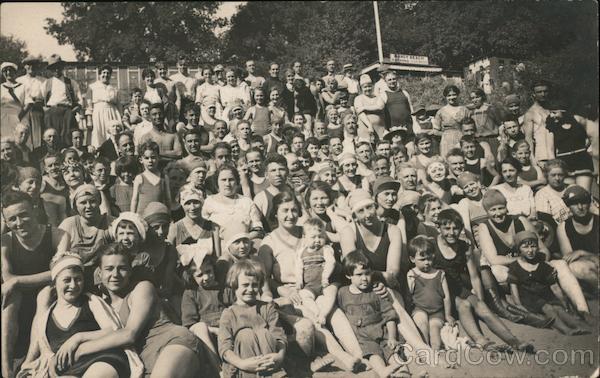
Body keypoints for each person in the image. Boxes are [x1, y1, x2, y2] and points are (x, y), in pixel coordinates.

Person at [257, 191, 364, 373]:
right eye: (284, 210)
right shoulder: (269, 242)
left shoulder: (310, 231)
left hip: (320, 286)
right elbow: (265, 279)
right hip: (293, 291)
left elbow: (344, 234)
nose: (290, 215)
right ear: (275, 213)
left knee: (334, 313)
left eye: (293, 210)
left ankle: (360, 356)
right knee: (312, 318)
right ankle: (344, 357)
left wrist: (333, 214)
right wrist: (286, 292)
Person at [72, 242, 207, 377]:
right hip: (143, 360)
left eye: (122, 268)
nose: (115, 274)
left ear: (130, 271)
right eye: (109, 268)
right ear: (100, 273)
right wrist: (78, 338)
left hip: (171, 342)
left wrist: (83, 349)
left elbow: (129, 334)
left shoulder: (142, 288)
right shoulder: (100, 306)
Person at [20, 252, 142, 378]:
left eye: (78, 279)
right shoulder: (46, 318)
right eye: (67, 280)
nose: (73, 285)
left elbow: (113, 330)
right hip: (70, 370)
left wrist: (79, 337)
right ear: (55, 282)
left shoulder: (91, 302)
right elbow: (47, 352)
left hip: (102, 359)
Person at [477, 189, 593, 319]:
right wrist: (522, 262)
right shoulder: (484, 227)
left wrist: (536, 265)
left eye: (501, 208)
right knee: (497, 271)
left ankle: (583, 309)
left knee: (560, 264)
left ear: (506, 208)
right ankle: (541, 309)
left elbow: (543, 250)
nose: (498, 213)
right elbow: (494, 260)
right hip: (513, 270)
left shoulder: (520, 220)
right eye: (493, 210)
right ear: (487, 212)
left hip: (534, 264)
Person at [432, 209, 533, 353]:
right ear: (439, 228)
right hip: (442, 292)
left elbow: (474, 276)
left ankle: (514, 341)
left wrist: (480, 300)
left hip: (459, 288)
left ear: (461, 229)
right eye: (447, 228)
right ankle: (482, 341)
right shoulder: (432, 246)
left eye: (456, 228)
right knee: (464, 305)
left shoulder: (464, 246)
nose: (451, 232)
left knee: (481, 306)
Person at [1, 191, 69, 378]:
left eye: (23, 214)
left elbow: (60, 271)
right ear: (6, 222)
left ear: (35, 209)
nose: (19, 222)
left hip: (49, 297)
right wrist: (15, 282)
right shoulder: (5, 241)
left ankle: (29, 361)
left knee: (44, 292)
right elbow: (7, 277)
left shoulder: (58, 235)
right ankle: (6, 369)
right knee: (11, 296)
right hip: (19, 298)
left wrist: (17, 281)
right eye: (12, 219)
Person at [337, 251, 410, 378]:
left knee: (393, 352)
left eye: (367, 273)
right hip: (364, 337)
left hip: (382, 331)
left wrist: (392, 337)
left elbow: (389, 315)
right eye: (359, 275)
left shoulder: (376, 290)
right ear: (349, 275)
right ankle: (383, 372)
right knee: (373, 355)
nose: (364, 278)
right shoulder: (342, 293)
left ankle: (403, 372)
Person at [508, 231, 590, 335]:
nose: (530, 250)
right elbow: (513, 288)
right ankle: (566, 329)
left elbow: (555, 287)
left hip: (546, 295)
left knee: (560, 310)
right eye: (525, 247)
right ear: (518, 249)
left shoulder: (543, 266)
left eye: (533, 246)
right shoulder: (515, 267)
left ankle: (580, 326)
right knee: (548, 308)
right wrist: (519, 305)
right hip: (529, 299)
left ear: (538, 247)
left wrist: (564, 303)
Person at [219, 259, 288, 378]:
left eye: (255, 285)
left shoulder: (267, 308)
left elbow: (279, 336)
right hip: (242, 367)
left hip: (269, 362)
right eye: (245, 285)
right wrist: (242, 364)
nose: (250, 289)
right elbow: (224, 348)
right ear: (234, 285)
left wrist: (280, 355)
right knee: (245, 335)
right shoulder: (229, 313)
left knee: (264, 333)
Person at [407, 236, 454, 351]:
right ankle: (425, 349)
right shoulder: (412, 274)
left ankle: (435, 351)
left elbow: (446, 297)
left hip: (437, 311)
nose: (427, 263)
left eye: (429, 259)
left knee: (435, 330)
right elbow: (409, 296)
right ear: (412, 259)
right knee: (421, 324)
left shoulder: (439, 274)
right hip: (420, 308)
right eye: (422, 260)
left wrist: (448, 314)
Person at [202, 165, 264, 250]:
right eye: (223, 180)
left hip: (244, 247)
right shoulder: (209, 202)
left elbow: (258, 229)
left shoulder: (246, 202)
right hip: (218, 248)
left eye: (231, 180)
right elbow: (204, 229)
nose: (227, 184)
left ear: (237, 182)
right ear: (217, 182)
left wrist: (241, 239)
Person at [556, 185, 599, 292]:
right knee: (575, 267)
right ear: (569, 206)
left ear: (589, 203)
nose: (580, 207)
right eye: (575, 203)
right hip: (589, 266)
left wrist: (582, 253)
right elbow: (569, 258)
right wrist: (592, 257)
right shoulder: (563, 227)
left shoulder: (598, 221)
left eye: (584, 202)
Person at [43, 55, 83, 143]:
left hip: (67, 113)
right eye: (54, 68)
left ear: (62, 67)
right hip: (51, 113)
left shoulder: (71, 82)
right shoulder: (46, 83)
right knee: (52, 138)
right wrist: (46, 110)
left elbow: (80, 101)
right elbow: (41, 100)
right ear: (51, 70)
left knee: (68, 138)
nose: (56, 70)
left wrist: (72, 112)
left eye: (58, 67)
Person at [86, 64, 122, 149]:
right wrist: (89, 119)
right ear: (99, 74)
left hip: (112, 114)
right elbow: (89, 105)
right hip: (98, 114)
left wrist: (120, 117)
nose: (105, 75)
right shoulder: (92, 87)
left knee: (112, 135)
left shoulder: (114, 88)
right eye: (103, 72)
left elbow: (119, 104)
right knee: (98, 135)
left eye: (108, 73)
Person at [130, 141, 171, 214]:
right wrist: (133, 216)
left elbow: (168, 199)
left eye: (153, 157)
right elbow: (135, 200)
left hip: (158, 217)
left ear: (158, 158)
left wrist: (169, 215)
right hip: (142, 217)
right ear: (141, 160)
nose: (150, 161)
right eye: (146, 158)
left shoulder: (164, 177)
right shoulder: (139, 178)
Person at [17, 56, 46, 148]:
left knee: (38, 136)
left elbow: (46, 98)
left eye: (33, 64)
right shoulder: (19, 80)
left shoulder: (43, 81)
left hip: (37, 110)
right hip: (23, 111)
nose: (31, 67)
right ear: (25, 66)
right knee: (24, 135)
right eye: (28, 65)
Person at [433, 85, 470, 158]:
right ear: (445, 97)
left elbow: (470, 126)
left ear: (458, 95)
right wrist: (446, 135)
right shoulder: (441, 112)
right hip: (446, 141)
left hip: (462, 138)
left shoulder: (464, 110)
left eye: (454, 95)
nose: (452, 97)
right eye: (449, 95)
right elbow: (435, 131)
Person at [523, 81, 553, 165]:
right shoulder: (530, 113)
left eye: (545, 91)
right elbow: (528, 139)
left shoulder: (552, 110)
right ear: (533, 94)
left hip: (556, 155)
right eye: (539, 92)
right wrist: (532, 161)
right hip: (541, 157)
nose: (543, 94)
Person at [1, 62, 26, 141]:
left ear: (15, 72)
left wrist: (18, 117)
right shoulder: (1, 87)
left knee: (19, 141)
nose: (8, 73)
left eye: (10, 70)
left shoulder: (23, 86)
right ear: (2, 73)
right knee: (5, 142)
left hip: (20, 117)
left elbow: (29, 103)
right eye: (5, 71)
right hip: (3, 118)